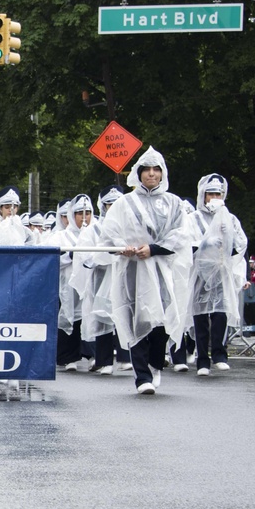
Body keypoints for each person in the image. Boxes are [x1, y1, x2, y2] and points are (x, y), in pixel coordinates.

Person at [94, 147, 192, 395]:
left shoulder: (174, 204)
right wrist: (122, 248)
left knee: (160, 321)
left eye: (155, 169)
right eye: (146, 170)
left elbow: (181, 234)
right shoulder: (124, 203)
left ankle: (155, 362)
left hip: (161, 269)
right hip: (132, 271)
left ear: (162, 173)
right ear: (138, 173)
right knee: (135, 318)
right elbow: (109, 234)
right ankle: (142, 377)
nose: (151, 174)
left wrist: (154, 248)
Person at [185, 173, 248, 376]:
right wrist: (207, 243)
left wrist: (227, 243)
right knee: (201, 316)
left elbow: (241, 243)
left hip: (220, 272)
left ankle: (220, 354)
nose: (214, 198)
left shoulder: (229, 219)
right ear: (202, 195)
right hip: (200, 274)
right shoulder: (192, 219)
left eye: (218, 194)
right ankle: (202, 359)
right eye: (210, 194)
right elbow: (187, 244)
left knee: (220, 313)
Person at [54, 194, 93, 370]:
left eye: (88, 213)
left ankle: (94, 354)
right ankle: (69, 357)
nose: (84, 217)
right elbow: (52, 261)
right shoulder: (60, 237)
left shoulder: (95, 234)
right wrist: (70, 256)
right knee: (69, 316)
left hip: (91, 282)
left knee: (90, 315)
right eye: (79, 213)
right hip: (68, 284)